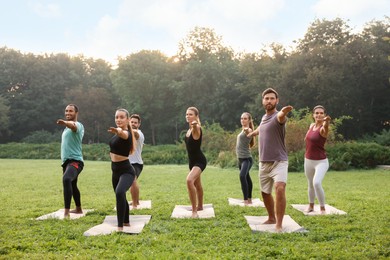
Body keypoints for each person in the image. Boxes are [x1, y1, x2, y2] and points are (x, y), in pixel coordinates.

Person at [249, 88, 293, 232]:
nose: (269, 101)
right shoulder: (263, 118)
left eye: (272, 98)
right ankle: (271, 217)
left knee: (279, 188)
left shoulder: (278, 117)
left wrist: (284, 111)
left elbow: (281, 116)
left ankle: (279, 224)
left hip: (279, 161)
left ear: (277, 100)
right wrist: (251, 133)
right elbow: (261, 129)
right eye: (266, 98)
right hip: (263, 163)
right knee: (265, 193)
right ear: (263, 101)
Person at [108, 108, 136, 231]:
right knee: (121, 196)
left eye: (121, 117)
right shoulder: (116, 135)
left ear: (127, 119)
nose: (118, 119)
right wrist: (116, 132)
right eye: (116, 117)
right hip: (115, 170)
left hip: (126, 171)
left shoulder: (127, 133)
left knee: (120, 192)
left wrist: (118, 131)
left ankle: (120, 227)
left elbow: (122, 133)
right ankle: (126, 221)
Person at [56, 104, 85, 218]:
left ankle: (66, 213)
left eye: (70, 111)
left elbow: (73, 126)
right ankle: (78, 209)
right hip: (67, 162)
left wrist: (65, 122)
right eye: (66, 111)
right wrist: (65, 124)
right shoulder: (65, 129)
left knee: (67, 179)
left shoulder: (78, 125)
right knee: (72, 185)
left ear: (76, 113)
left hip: (75, 161)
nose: (68, 113)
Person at [304, 105, 331, 214]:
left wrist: (327, 122)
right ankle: (311, 205)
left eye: (321, 113)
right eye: (317, 113)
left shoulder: (323, 129)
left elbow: (326, 128)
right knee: (310, 184)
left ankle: (322, 208)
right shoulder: (311, 126)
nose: (319, 115)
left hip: (321, 162)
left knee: (316, 183)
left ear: (324, 115)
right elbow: (306, 139)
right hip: (308, 160)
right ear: (313, 115)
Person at [184, 107, 207, 218]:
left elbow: (196, 128)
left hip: (199, 161)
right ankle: (200, 206)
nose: (188, 116)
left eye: (191, 114)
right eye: (187, 114)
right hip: (191, 162)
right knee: (197, 184)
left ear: (196, 116)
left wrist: (194, 124)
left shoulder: (196, 128)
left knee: (189, 181)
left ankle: (194, 212)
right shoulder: (188, 130)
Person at [236, 112, 255, 205]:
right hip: (240, 159)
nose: (242, 120)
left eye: (245, 118)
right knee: (247, 177)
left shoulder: (248, 129)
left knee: (242, 176)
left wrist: (247, 130)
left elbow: (249, 133)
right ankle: (249, 199)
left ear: (249, 120)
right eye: (241, 118)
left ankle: (246, 200)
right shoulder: (242, 129)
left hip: (247, 159)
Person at [128, 114, 144, 209]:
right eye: (132, 122)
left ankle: (134, 205)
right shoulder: (127, 133)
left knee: (133, 181)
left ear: (139, 124)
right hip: (128, 162)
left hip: (137, 163)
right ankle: (136, 201)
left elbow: (135, 134)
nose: (133, 124)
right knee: (132, 182)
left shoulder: (139, 133)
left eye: (135, 123)